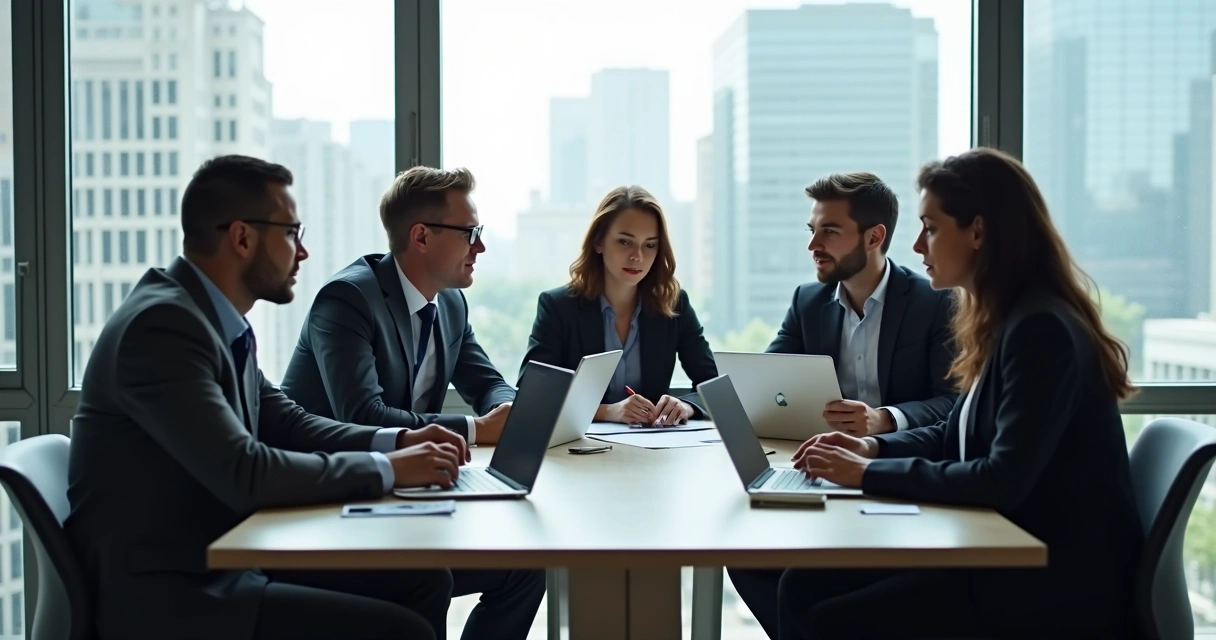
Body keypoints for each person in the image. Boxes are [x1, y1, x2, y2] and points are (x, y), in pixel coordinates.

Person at [65, 155, 472, 640]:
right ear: (242, 238)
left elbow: (288, 423)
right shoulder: (164, 327)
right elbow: (245, 471)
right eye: (290, 233)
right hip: (174, 587)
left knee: (423, 581)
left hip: (225, 551)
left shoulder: (212, 319)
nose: (302, 252)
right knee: (401, 630)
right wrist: (387, 469)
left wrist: (397, 440)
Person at [778, 147, 1143, 639]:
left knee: (829, 618)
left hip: (1050, 575)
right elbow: (958, 430)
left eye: (930, 228)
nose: (917, 246)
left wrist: (867, 473)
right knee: (801, 585)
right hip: (1000, 542)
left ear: (977, 231)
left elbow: (1000, 479)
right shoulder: (1008, 320)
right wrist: (871, 446)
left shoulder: (1041, 329)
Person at [279, 165, 543, 639]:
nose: (479, 247)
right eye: (471, 233)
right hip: (329, 505)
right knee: (432, 577)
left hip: (406, 493)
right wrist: (476, 430)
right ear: (421, 237)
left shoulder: (451, 304)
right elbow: (363, 416)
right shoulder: (347, 300)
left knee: (524, 567)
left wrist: (510, 410)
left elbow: (488, 383)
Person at [729, 172, 957, 636]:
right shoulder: (808, 301)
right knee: (747, 562)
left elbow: (952, 403)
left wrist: (884, 419)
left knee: (806, 586)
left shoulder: (934, 303)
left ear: (874, 237)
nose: (814, 244)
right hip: (827, 467)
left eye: (829, 231)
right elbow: (766, 379)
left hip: (899, 475)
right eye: (811, 231)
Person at [520, 185, 717, 425]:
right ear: (599, 242)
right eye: (625, 242)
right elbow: (533, 396)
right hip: (579, 451)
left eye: (650, 245)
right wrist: (607, 411)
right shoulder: (558, 307)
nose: (638, 256)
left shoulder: (674, 305)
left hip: (654, 450)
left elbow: (713, 386)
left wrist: (685, 406)